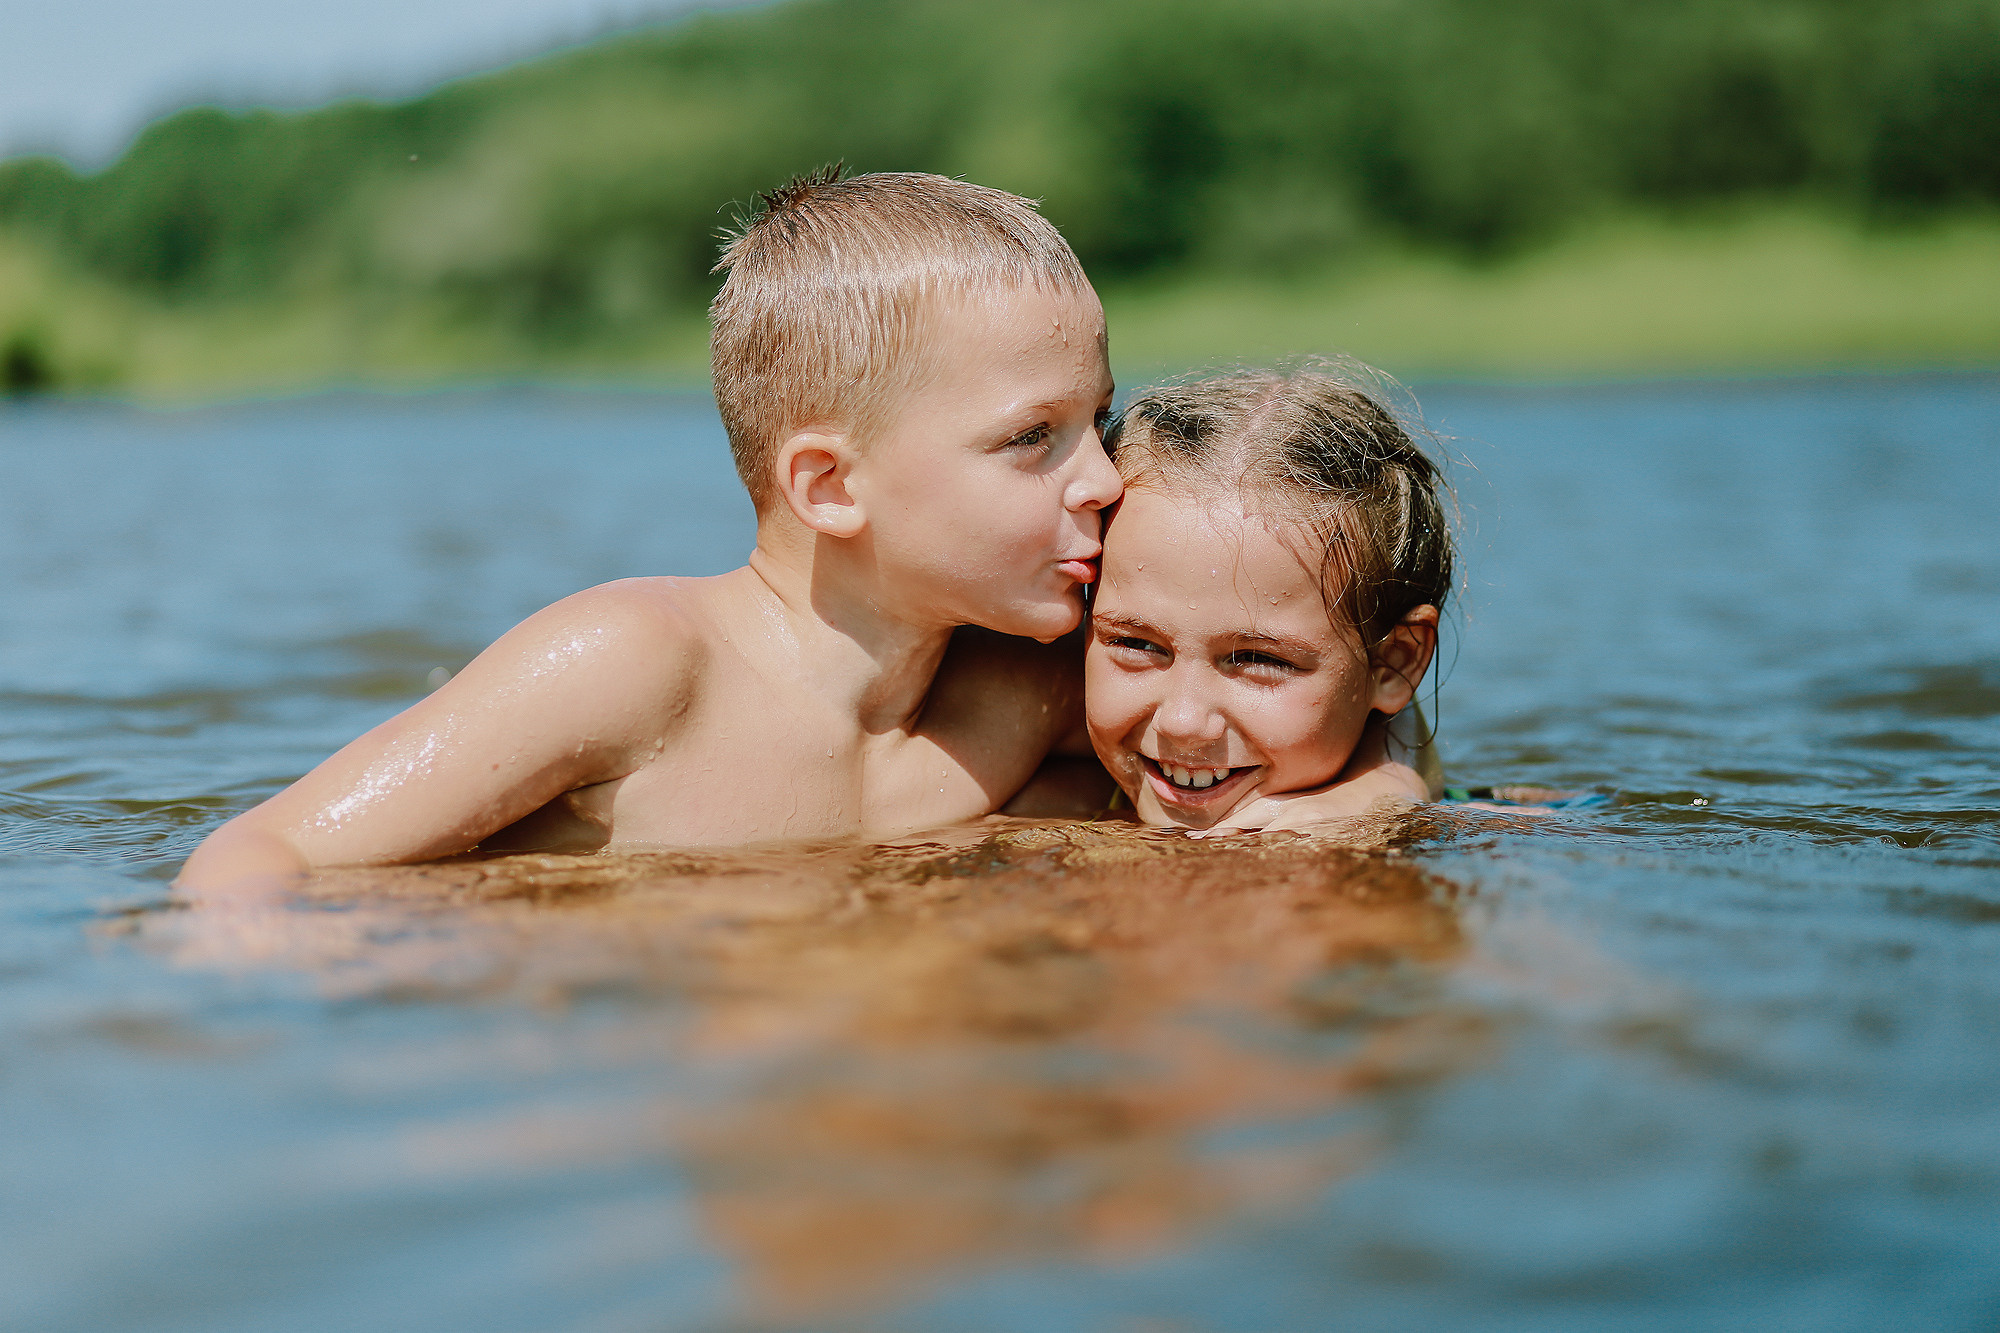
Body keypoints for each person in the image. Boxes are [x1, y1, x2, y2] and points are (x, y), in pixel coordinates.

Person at [176, 168, 1121, 898]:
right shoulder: (643, 665)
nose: (1106, 479)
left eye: (1099, 421)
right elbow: (261, 852)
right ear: (829, 485)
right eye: (1032, 438)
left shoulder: (1034, 691)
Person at [1084, 366, 1452, 834]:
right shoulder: (1032, 760)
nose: (1183, 722)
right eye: (1136, 645)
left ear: (1394, 662)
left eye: (1257, 658)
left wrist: (1384, 799)